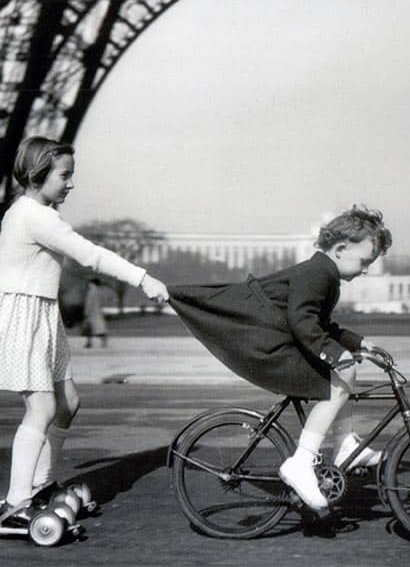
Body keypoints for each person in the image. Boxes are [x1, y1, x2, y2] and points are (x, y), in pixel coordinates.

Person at [0, 136, 169, 524]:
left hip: (39, 313)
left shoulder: (24, 212)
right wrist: (143, 278)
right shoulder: (35, 216)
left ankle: (40, 485)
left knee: (68, 403)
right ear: (37, 173)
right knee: (42, 407)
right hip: (22, 316)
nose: (71, 184)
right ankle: (17, 502)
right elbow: (90, 255)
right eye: (65, 175)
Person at [168, 206, 392, 511]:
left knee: (343, 372)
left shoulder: (324, 273)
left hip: (275, 342)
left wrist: (360, 344)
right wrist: (338, 355)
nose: (366, 269)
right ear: (340, 250)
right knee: (343, 374)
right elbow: (303, 322)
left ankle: (344, 444)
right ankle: (302, 462)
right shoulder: (317, 274)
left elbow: (322, 327)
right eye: (365, 261)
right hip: (269, 348)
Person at [82, 278, 108, 348]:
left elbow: (89, 303)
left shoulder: (91, 291)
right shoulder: (99, 291)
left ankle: (89, 343)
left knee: (89, 328)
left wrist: (86, 312)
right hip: (98, 312)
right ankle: (103, 342)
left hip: (92, 313)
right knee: (99, 328)